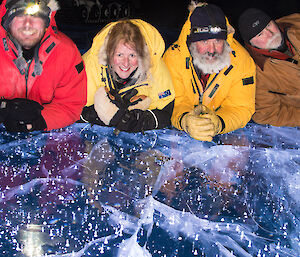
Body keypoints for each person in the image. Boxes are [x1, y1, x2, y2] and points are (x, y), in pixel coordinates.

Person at [163, 1, 256, 142]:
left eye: (218, 41)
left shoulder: (242, 60)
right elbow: (174, 101)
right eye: (205, 42)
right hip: (182, 127)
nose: (212, 50)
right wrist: (185, 121)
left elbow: (241, 107)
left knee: (239, 151)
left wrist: (219, 122)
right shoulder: (173, 57)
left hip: (224, 126)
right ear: (192, 41)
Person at [0, 0, 87, 132]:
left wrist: (40, 120)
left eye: (35, 16)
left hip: (43, 134)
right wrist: (3, 109)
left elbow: (70, 105)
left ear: (46, 21)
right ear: (8, 21)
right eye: (19, 15)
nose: (27, 24)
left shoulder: (66, 52)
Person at [80, 19, 175, 133]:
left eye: (132, 55)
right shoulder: (89, 66)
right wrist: (98, 114)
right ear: (109, 53)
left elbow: (167, 111)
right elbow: (69, 109)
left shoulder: (155, 67)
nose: (125, 63)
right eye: (119, 55)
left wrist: (141, 120)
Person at [238, 8, 300, 127]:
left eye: (268, 25)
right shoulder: (254, 73)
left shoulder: (296, 23)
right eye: (260, 34)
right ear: (251, 44)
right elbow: (267, 114)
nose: (270, 34)